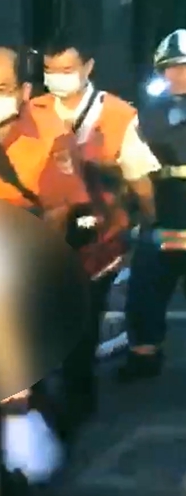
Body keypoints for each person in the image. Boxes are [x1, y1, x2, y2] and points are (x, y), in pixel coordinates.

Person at [0, 46, 97, 491]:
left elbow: (61, 208)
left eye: (0, 88)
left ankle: (23, 467)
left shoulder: (52, 135)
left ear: (25, 91)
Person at [32, 32, 160, 417]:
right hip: (45, 237)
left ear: (88, 67)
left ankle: (77, 404)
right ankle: (36, 402)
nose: (57, 78)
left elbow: (139, 178)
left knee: (83, 328)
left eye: (67, 69)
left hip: (100, 240)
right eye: (50, 70)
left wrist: (148, 222)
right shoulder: (32, 110)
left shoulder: (118, 115)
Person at [120, 28, 186, 381]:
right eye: (171, 67)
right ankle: (144, 354)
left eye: (184, 66)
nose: (177, 74)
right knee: (146, 287)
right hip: (165, 213)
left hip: (170, 213)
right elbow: (133, 166)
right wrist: (151, 215)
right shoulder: (147, 115)